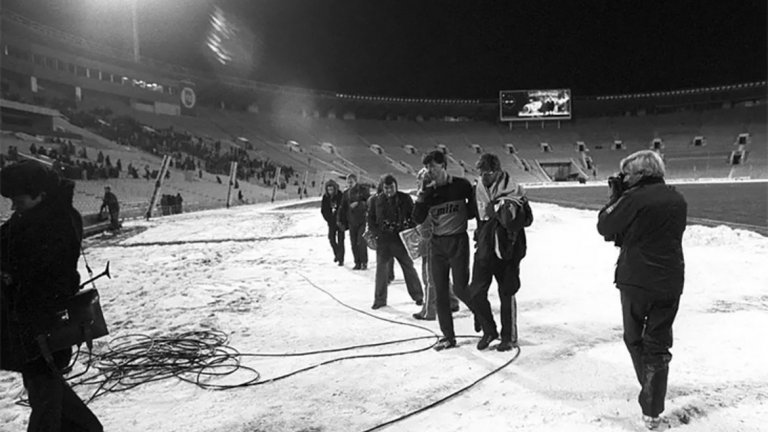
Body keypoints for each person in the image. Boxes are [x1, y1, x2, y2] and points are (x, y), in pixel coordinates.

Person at [0, 160, 103, 431]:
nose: (13, 207)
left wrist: (11, 277)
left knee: (45, 401)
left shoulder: (57, 224)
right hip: (26, 332)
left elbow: (54, 280)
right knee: (47, 392)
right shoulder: (31, 217)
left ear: (40, 195)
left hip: (42, 331)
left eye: (18, 200)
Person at [596, 150, 687, 430]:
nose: (623, 178)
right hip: (670, 280)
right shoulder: (677, 198)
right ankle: (653, 407)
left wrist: (616, 196)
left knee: (635, 338)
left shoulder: (632, 199)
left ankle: (650, 391)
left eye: (626, 174)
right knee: (658, 343)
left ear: (641, 174)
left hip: (637, 280)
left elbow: (605, 226)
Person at [468, 153, 533, 351]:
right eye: (480, 172)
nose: (482, 176)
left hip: (508, 248)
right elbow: (475, 214)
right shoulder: (477, 188)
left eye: (486, 173)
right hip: (486, 246)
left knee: (507, 292)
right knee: (476, 292)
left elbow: (527, 220)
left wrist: (500, 210)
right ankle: (489, 330)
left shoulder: (514, 189)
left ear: (496, 172)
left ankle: (509, 337)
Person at [412, 150, 476, 351]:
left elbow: (474, 212)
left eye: (433, 166)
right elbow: (417, 218)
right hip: (437, 244)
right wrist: (422, 195)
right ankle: (448, 336)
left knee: (460, 287)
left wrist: (461, 215)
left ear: (443, 166)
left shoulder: (461, 185)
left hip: (458, 241)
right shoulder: (428, 191)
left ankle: (482, 316)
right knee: (440, 291)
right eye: (427, 167)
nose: (429, 170)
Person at [366, 174, 424, 310]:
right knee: (381, 271)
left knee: (408, 267)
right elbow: (371, 219)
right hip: (384, 240)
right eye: (386, 188)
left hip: (400, 239)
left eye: (391, 187)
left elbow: (414, 216)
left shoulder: (405, 198)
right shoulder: (375, 201)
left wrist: (409, 228)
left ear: (396, 186)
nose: (389, 191)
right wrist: (375, 234)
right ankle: (379, 300)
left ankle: (418, 296)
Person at [412, 168, 460, 321]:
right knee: (440, 275)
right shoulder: (437, 195)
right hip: (439, 240)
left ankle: (429, 310)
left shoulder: (427, 197)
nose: (420, 182)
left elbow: (425, 221)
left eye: (422, 180)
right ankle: (452, 301)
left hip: (432, 241)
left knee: (430, 278)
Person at [338, 174, 370, 270]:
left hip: (362, 220)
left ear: (355, 181)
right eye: (348, 182)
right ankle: (357, 262)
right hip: (351, 221)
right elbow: (342, 207)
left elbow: (369, 202)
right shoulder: (346, 193)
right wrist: (340, 220)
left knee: (361, 241)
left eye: (351, 182)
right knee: (353, 243)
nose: (349, 184)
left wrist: (359, 204)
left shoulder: (362, 191)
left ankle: (364, 261)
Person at [321, 179, 345, 266]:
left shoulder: (340, 196)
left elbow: (344, 208)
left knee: (341, 240)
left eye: (331, 189)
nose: (330, 191)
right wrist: (328, 219)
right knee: (331, 239)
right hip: (331, 222)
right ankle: (337, 254)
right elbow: (323, 210)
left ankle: (341, 259)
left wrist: (342, 220)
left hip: (340, 222)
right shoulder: (325, 197)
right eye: (328, 189)